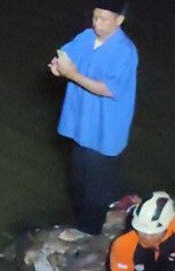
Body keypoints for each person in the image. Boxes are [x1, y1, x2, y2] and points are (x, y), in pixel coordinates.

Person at [48, 1, 138, 235]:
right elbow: (66, 56)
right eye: (95, 17)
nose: (97, 23)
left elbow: (108, 89)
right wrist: (58, 66)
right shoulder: (86, 37)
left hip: (105, 131)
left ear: (119, 20)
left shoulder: (125, 52)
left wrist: (73, 74)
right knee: (77, 180)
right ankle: (81, 221)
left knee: (94, 190)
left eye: (103, 19)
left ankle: (90, 233)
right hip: (81, 126)